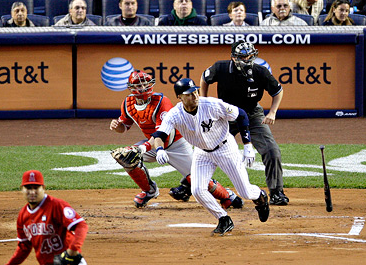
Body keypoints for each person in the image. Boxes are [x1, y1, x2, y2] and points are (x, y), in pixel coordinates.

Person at [110, 71, 244, 210]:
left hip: (176, 143)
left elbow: (162, 134)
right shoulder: (128, 103)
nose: (143, 88)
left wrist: (141, 148)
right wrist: (117, 126)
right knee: (125, 157)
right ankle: (149, 191)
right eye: (139, 85)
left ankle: (227, 196)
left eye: (145, 84)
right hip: (152, 145)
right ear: (131, 88)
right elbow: (123, 127)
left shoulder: (162, 102)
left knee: (197, 180)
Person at [154, 77, 270, 236]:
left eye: (195, 91)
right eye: (189, 94)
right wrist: (159, 148)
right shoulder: (175, 114)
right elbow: (159, 134)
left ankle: (261, 197)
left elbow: (241, 115)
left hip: (225, 148)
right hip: (202, 153)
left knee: (245, 192)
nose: (194, 96)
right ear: (179, 97)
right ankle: (223, 218)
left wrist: (248, 145)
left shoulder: (212, 105)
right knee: (196, 189)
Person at [200, 41, 289, 206]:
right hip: (225, 114)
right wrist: (204, 101)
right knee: (206, 149)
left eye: (250, 55)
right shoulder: (220, 67)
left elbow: (278, 91)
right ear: (234, 57)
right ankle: (188, 185)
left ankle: (277, 192)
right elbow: (205, 78)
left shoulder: (260, 71)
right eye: (243, 56)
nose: (247, 59)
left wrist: (273, 112)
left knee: (272, 150)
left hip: (252, 113)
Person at [6, 170, 88, 265]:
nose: (32, 192)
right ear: (22, 189)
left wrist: (73, 249)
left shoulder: (56, 205)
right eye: (28, 188)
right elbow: (24, 247)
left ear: (43, 188)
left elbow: (81, 225)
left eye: (36, 188)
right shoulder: (23, 215)